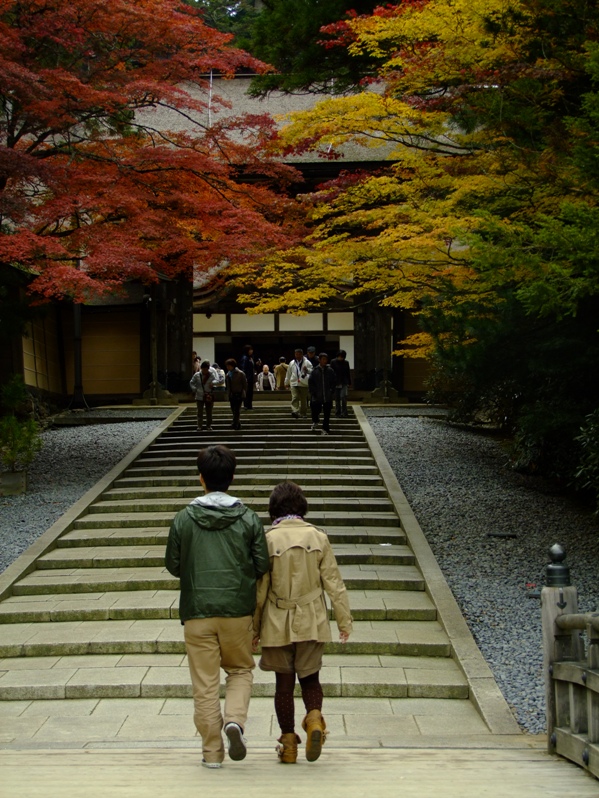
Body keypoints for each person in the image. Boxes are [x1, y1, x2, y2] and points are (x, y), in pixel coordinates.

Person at [165, 445, 269, 769]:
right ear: (232, 478)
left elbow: (172, 564)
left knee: (205, 684)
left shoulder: (183, 518)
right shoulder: (249, 517)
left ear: (201, 479)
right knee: (240, 669)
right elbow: (263, 562)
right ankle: (234, 721)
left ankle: (212, 752)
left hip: (197, 612)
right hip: (238, 611)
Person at [253, 481, 352, 764]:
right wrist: (344, 620)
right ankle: (315, 721)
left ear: (274, 509)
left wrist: (254, 627)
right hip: (312, 618)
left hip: (276, 619)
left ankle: (288, 744)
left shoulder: (268, 540)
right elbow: (334, 583)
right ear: (302, 508)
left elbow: (260, 590)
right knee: (311, 678)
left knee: (283, 685)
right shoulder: (318, 537)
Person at [308, 352, 337, 435]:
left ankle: (325, 428)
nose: (325, 361)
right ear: (319, 360)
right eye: (323, 359)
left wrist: (332, 390)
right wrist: (313, 392)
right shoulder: (315, 371)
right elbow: (311, 382)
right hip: (317, 396)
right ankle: (316, 420)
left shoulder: (330, 370)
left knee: (327, 414)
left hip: (327, 396)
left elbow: (334, 381)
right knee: (315, 410)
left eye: (326, 359)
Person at [285, 348, 312, 418]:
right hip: (294, 382)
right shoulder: (292, 363)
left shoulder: (307, 362)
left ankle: (303, 413)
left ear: (302, 354)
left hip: (303, 382)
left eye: (299, 354)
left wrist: (307, 369)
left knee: (303, 399)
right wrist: (286, 382)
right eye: (296, 354)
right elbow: (288, 373)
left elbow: (312, 371)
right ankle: (295, 411)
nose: (297, 356)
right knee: (295, 397)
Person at [190, 360, 216, 431]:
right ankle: (199, 425)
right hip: (199, 395)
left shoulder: (211, 375)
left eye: (206, 369)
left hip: (208, 395)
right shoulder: (197, 375)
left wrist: (213, 384)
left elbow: (216, 381)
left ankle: (209, 425)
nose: (205, 370)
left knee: (209, 412)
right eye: (203, 369)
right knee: (200, 412)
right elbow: (191, 382)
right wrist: (194, 389)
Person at [225, 358, 247, 430]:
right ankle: (238, 424)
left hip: (239, 394)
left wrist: (243, 392)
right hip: (232, 394)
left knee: (237, 410)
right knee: (233, 409)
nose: (227, 367)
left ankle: (234, 424)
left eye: (229, 366)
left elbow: (245, 384)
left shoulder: (240, 373)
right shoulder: (228, 374)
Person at [331, 350, 351, 418]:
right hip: (336, 382)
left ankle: (344, 412)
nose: (340, 358)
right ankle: (337, 412)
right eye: (339, 356)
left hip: (344, 382)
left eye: (341, 357)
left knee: (343, 397)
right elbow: (331, 372)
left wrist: (349, 382)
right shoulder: (333, 362)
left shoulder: (346, 363)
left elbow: (348, 373)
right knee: (337, 398)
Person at [239, 345, 255, 410]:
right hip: (247, 378)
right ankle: (247, 405)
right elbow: (244, 369)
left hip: (251, 378)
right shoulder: (245, 358)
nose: (251, 351)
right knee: (247, 392)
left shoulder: (250, 358)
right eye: (250, 350)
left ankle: (249, 405)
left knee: (250, 392)